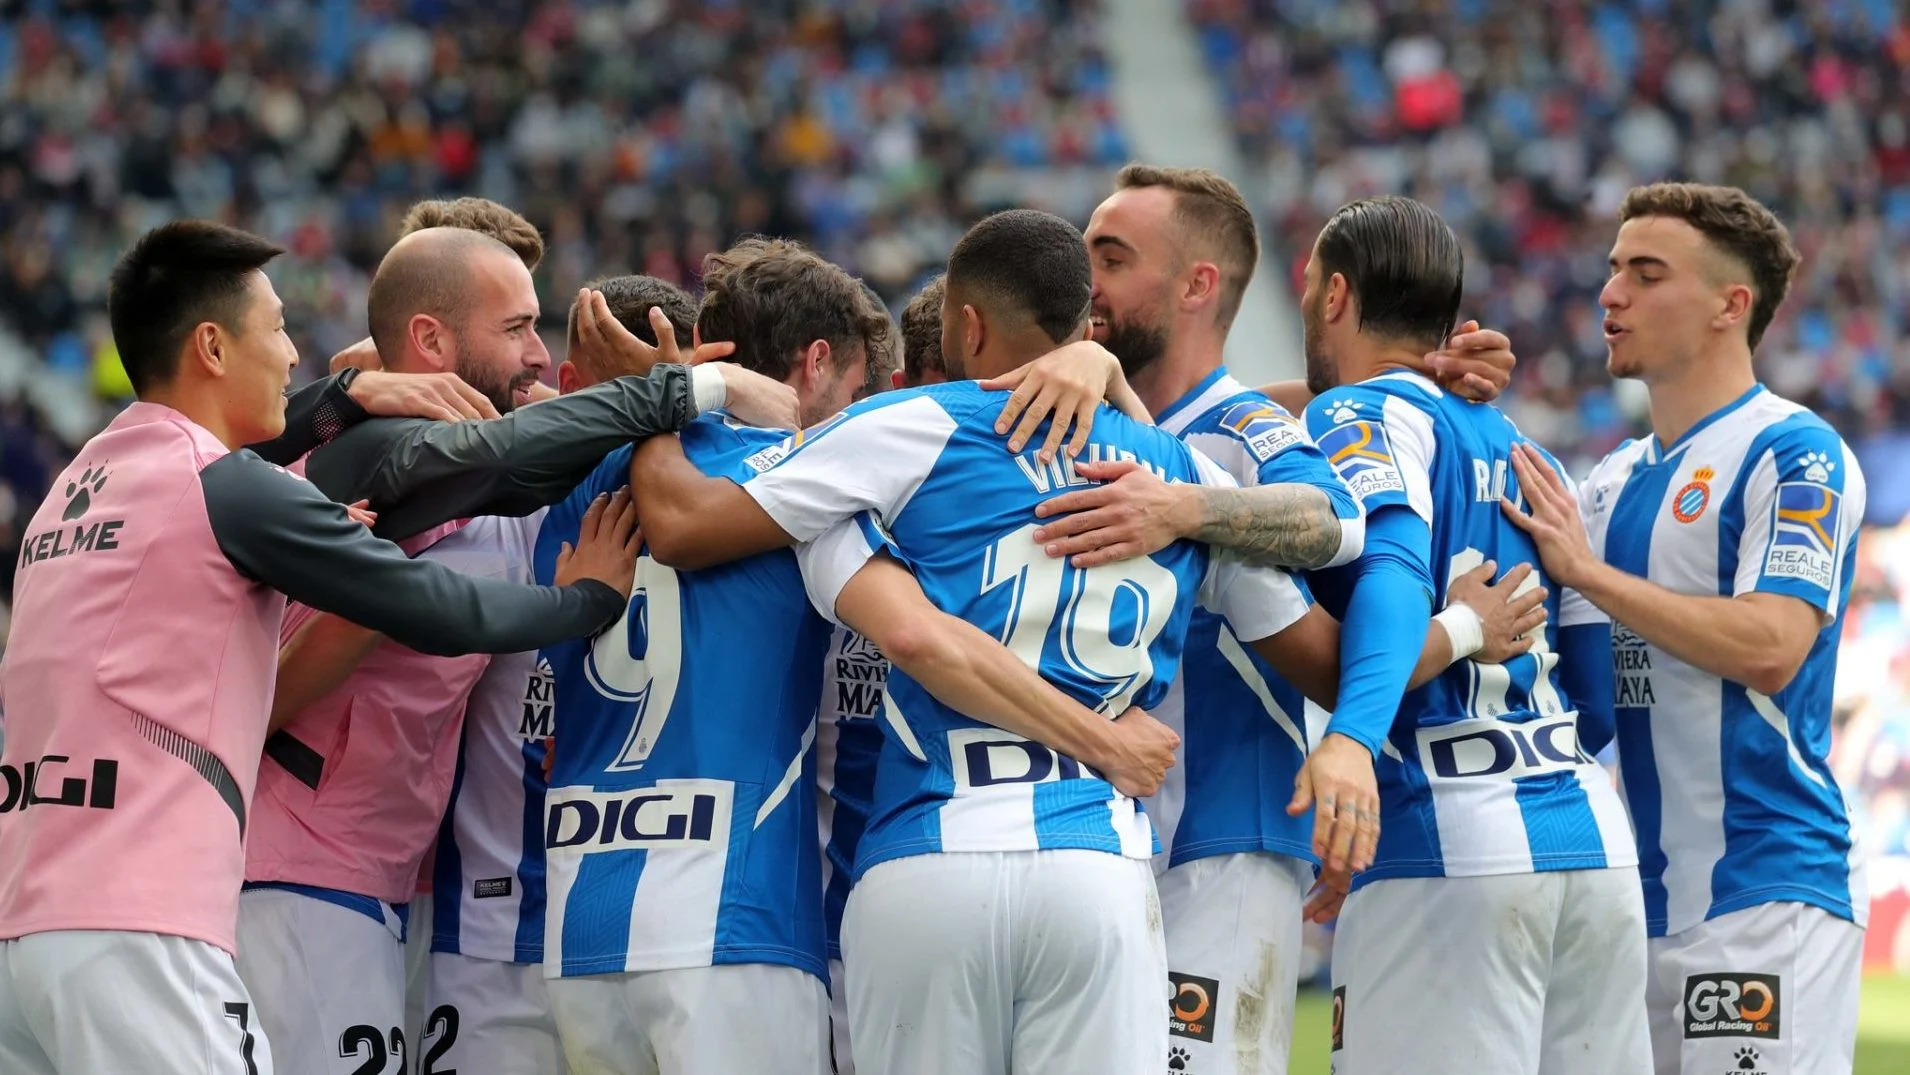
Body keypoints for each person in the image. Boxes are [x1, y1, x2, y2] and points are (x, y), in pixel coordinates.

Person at [0, 220, 641, 1075]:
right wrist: (587, 590)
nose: (295, 350)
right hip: (206, 896)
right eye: (276, 330)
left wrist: (337, 403)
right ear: (213, 346)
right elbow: (430, 598)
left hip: (48, 907)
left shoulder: (84, 480)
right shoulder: (245, 483)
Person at [537, 237, 1181, 1075]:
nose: (858, 408)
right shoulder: (814, 501)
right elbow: (916, 632)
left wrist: (658, 403)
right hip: (746, 917)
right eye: (852, 387)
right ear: (814, 363)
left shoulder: (573, 485)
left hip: (578, 917)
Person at [955, 164, 1534, 1075]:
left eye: (1109, 258)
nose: (1084, 285)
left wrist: (1458, 630)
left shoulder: (1259, 437)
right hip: (1084, 848)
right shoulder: (1092, 419)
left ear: (1197, 285)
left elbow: (1339, 595)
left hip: (1218, 844)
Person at [1504, 182, 1868, 1075]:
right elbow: (1592, 705)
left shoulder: (1795, 451)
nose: (1609, 293)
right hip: (1635, 907)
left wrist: (1589, 573)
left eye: (1646, 272)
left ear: (1728, 306)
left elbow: (1772, 645)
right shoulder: (1610, 483)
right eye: (1613, 268)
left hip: (1763, 894)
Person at [1288, 196, 1644, 1075]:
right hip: (1592, 842)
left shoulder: (1358, 416)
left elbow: (1396, 572)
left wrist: (1351, 746)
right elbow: (1594, 696)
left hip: (1445, 837)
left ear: (1334, 295)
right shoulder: (1534, 449)